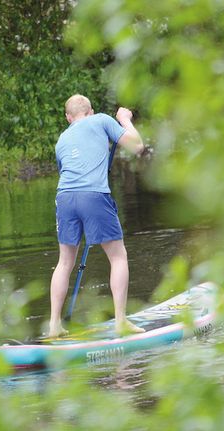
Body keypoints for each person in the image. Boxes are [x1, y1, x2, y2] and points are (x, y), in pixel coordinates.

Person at [48, 94, 147, 337]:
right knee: (118, 257)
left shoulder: (61, 139)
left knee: (64, 262)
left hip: (65, 197)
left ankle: (53, 325)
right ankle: (121, 321)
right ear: (90, 111)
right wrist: (124, 120)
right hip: (93, 194)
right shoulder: (102, 120)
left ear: (68, 117)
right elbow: (137, 146)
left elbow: (68, 171)